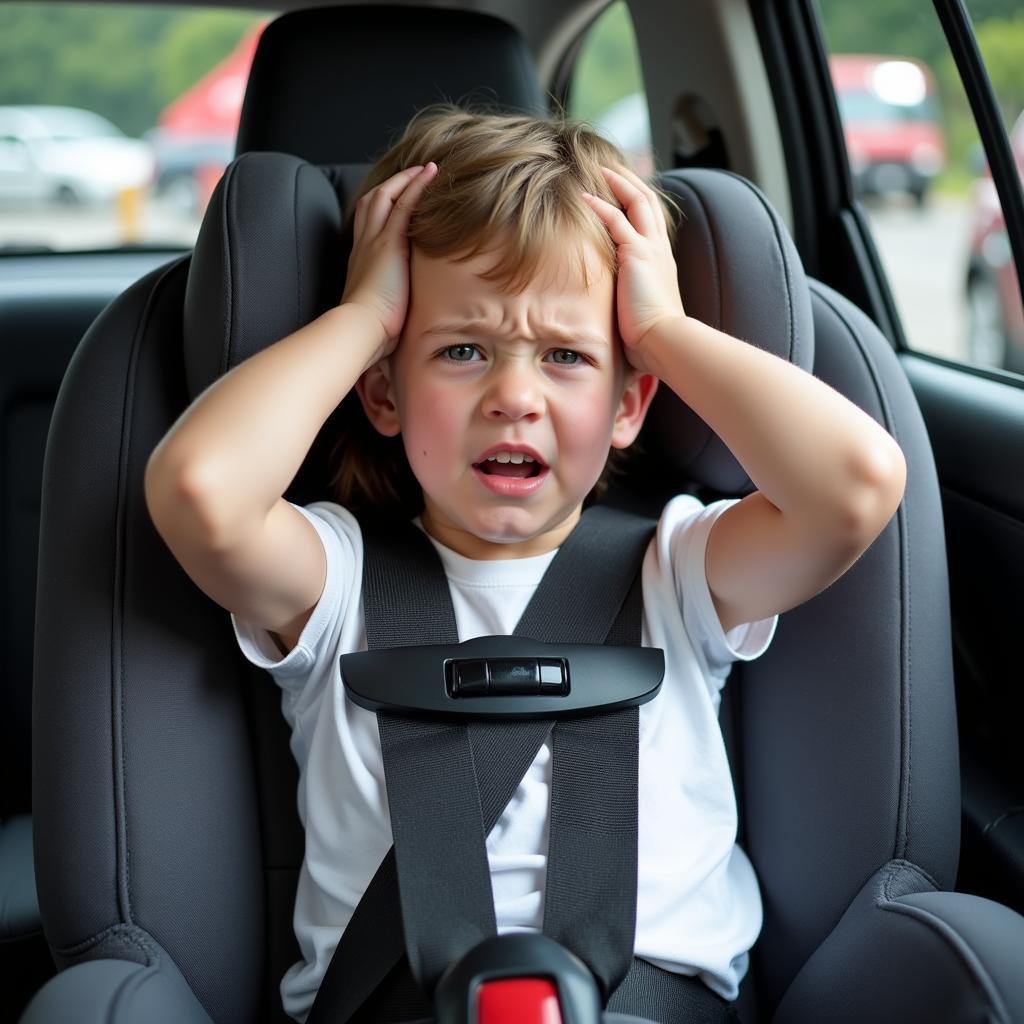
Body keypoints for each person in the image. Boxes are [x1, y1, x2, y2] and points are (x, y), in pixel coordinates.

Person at [144, 106, 907, 1022]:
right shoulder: (334, 581)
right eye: (462, 350)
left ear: (631, 408)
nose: (514, 396)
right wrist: (366, 315)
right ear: (385, 391)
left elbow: (855, 486)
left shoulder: (679, 571)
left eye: (565, 356)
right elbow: (199, 490)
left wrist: (657, 328)